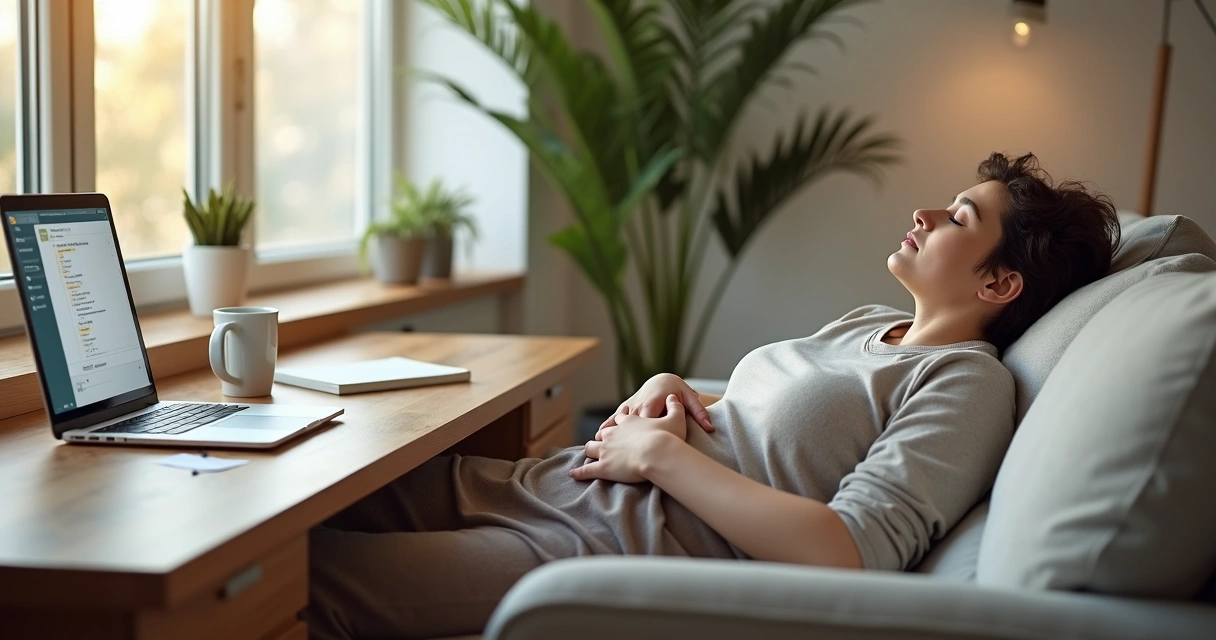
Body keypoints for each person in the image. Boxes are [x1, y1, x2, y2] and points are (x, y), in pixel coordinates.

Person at [304, 152, 1121, 640]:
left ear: (1000, 280)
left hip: (599, 550)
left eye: (959, 216)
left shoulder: (964, 382)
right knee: (298, 506)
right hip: (556, 483)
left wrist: (658, 453)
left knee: (299, 583)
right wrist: (673, 386)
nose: (925, 211)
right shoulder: (870, 326)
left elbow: (852, 551)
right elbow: (762, 422)